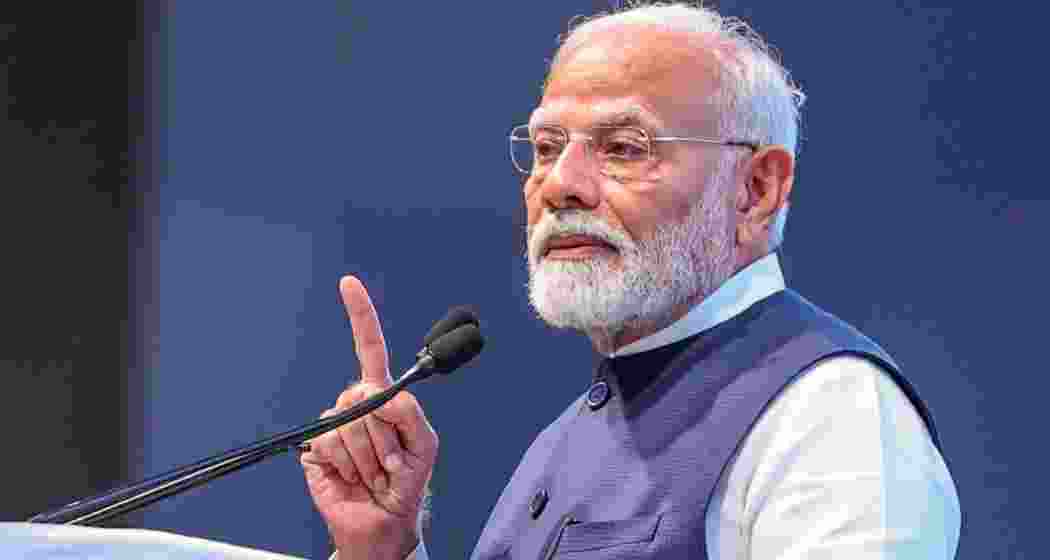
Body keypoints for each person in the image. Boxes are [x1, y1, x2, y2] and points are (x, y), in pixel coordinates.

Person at [299, 3, 961, 559]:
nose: (559, 185)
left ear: (757, 189)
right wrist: (384, 549)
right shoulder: (572, 432)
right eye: (548, 147)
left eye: (624, 147)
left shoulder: (831, 416)